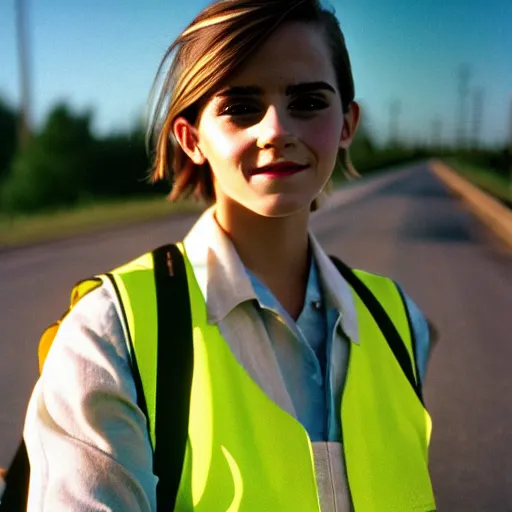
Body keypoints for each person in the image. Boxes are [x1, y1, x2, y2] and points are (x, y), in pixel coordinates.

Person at [22, 0, 436, 510]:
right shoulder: (106, 334)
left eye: (308, 102)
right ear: (191, 137)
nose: (277, 130)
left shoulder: (398, 319)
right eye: (241, 107)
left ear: (348, 123)